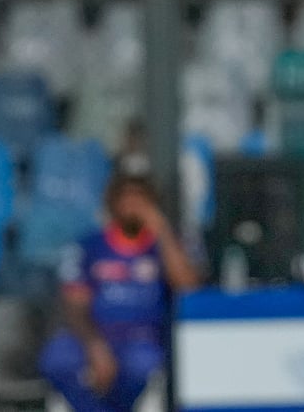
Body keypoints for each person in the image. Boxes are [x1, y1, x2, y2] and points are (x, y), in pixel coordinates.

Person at [38, 172, 200, 412]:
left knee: (141, 364)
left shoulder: (164, 246)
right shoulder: (89, 246)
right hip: (93, 333)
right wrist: (95, 346)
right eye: (125, 198)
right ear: (112, 203)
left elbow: (188, 288)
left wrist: (162, 231)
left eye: (140, 198)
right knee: (57, 359)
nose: (132, 205)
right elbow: (75, 304)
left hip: (141, 338)